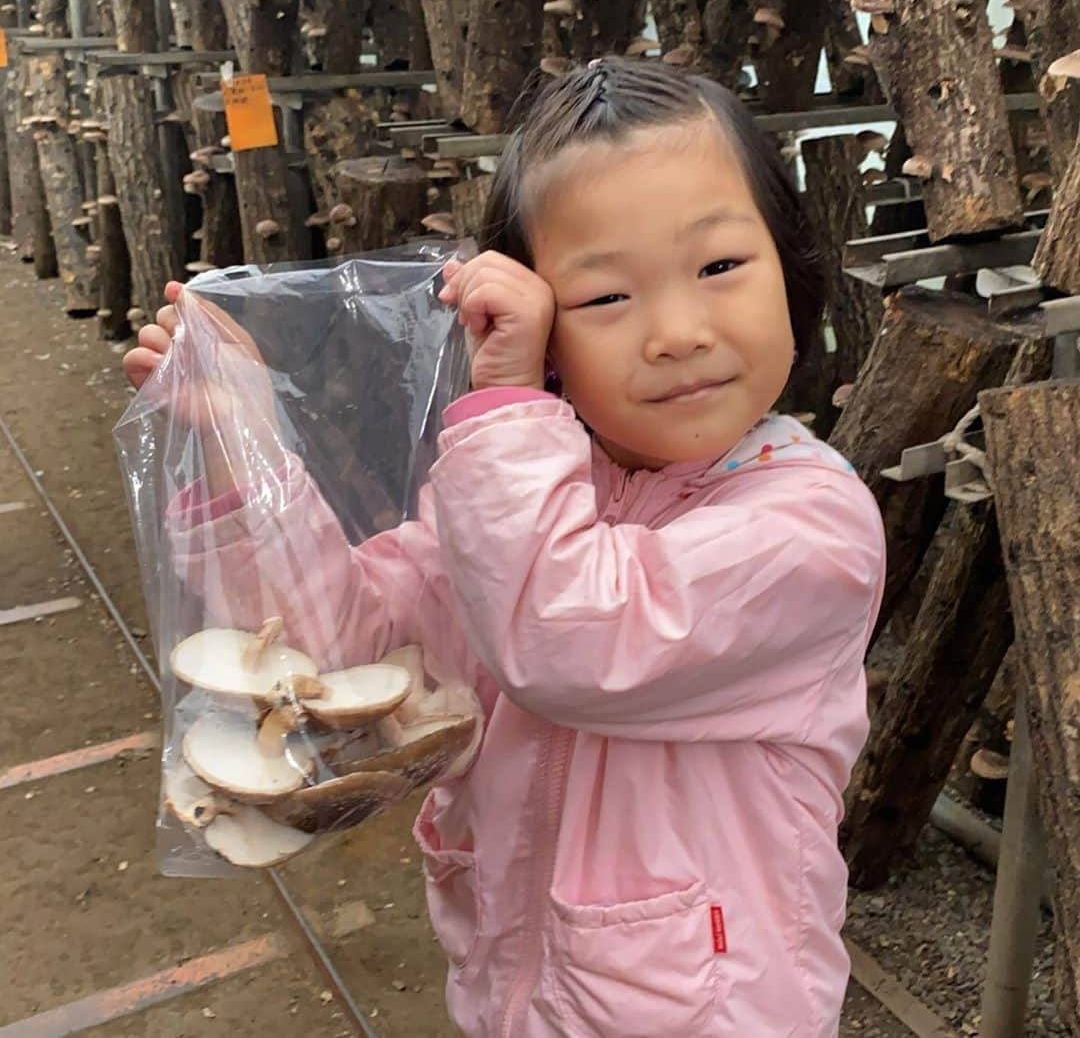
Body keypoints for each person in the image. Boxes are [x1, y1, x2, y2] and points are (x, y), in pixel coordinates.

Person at [124, 57, 886, 1037]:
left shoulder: (813, 527)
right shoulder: (506, 491)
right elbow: (344, 646)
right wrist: (244, 452)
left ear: (793, 266)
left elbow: (572, 639)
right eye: (606, 297)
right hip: (516, 993)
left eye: (721, 266)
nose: (677, 332)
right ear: (542, 324)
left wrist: (511, 410)